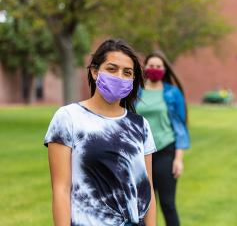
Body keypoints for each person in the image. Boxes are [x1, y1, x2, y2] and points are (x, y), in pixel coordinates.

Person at [44, 39, 157, 226]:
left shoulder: (140, 125)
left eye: (127, 73)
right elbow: (61, 189)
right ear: (95, 72)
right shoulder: (68, 118)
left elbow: (147, 189)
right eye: (112, 69)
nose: (120, 77)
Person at [136, 51, 190, 226]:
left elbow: (180, 127)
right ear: (145, 68)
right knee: (143, 204)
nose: (155, 69)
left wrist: (178, 159)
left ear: (165, 69)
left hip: (165, 152)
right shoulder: (136, 92)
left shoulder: (172, 93)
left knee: (167, 204)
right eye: (151, 66)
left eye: (158, 66)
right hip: (139, 154)